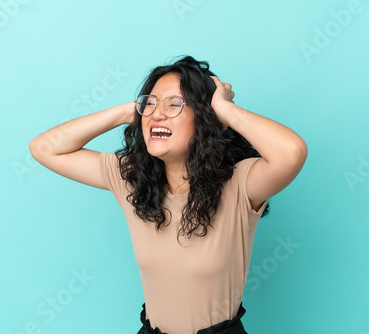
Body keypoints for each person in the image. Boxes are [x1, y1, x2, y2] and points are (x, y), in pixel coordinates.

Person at [29, 55, 308, 334]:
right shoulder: (131, 179)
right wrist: (127, 112)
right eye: (150, 103)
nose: (157, 113)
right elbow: (44, 148)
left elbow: (291, 152)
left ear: (206, 118)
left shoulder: (241, 183)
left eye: (174, 104)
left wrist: (224, 109)